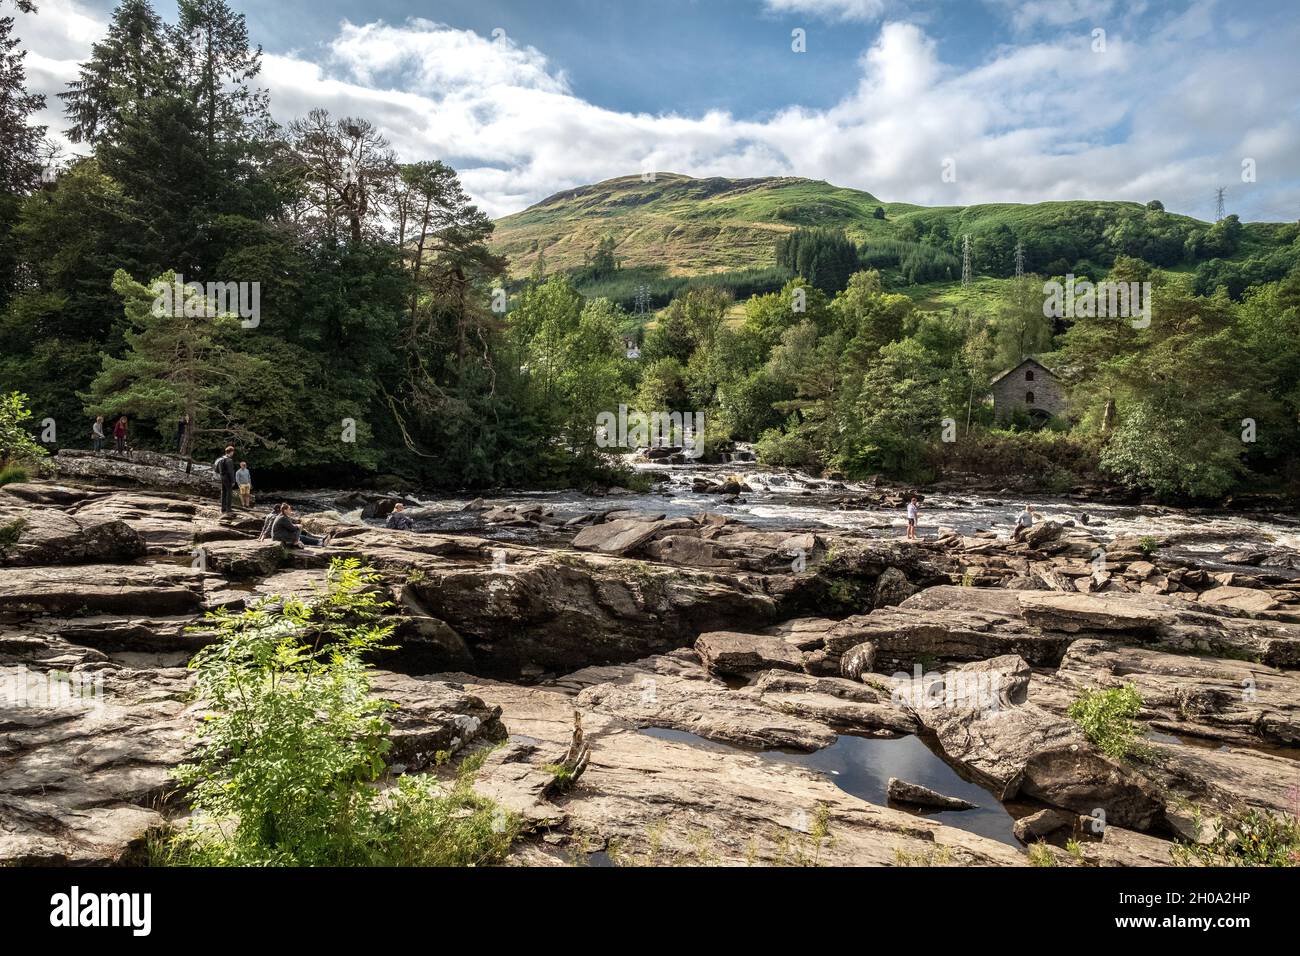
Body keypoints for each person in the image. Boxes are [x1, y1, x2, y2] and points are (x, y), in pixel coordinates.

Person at [214, 445, 238, 513]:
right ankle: (228, 509)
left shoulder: (221, 459)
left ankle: (223, 508)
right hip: (228, 478)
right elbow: (231, 472)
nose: (233, 453)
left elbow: (216, 470)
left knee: (223, 492)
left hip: (222, 477)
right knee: (229, 493)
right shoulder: (229, 460)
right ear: (231, 452)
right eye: (233, 452)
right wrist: (233, 481)